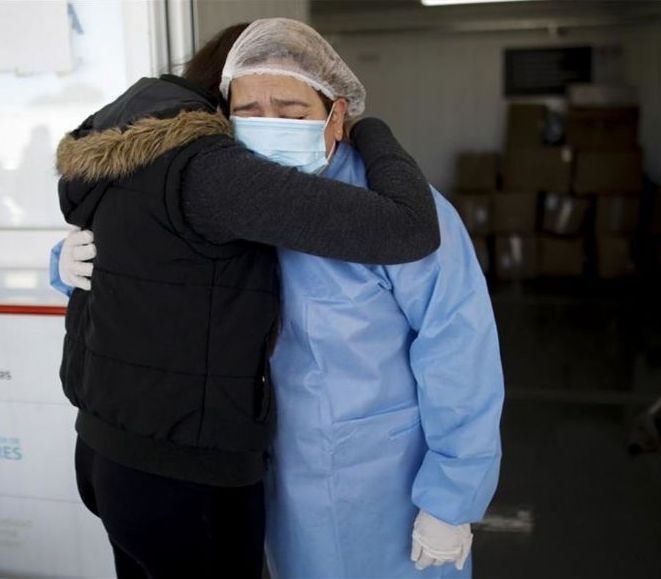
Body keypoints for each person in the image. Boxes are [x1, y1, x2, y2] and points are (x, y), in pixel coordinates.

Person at [56, 18, 504, 579]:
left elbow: (461, 351)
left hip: (380, 485)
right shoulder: (231, 197)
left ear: (336, 117)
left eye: (292, 114)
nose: (270, 127)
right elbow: (153, 262)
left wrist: (452, 497)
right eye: (249, 112)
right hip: (267, 478)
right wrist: (66, 261)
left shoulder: (388, 209)